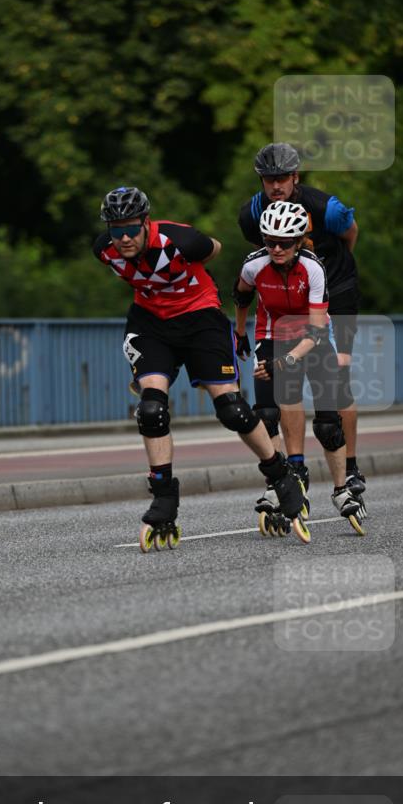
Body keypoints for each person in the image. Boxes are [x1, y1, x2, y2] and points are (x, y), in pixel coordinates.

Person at [93, 185, 309, 550]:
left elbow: (215, 249)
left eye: (132, 229)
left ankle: (280, 475)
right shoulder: (104, 250)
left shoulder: (181, 241)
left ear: (147, 223)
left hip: (200, 317)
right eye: (117, 231)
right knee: (151, 409)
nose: (124, 238)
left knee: (232, 410)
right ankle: (163, 498)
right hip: (151, 323)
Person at [238, 143, 366, 511]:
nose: (275, 186)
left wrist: (334, 269)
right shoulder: (251, 214)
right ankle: (292, 471)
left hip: (334, 287)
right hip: (288, 295)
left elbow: (351, 233)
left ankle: (352, 469)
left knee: (337, 377)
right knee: (277, 396)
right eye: (268, 180)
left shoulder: (327, 207)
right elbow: (265, 257)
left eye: (282, 179)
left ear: (296, 177)